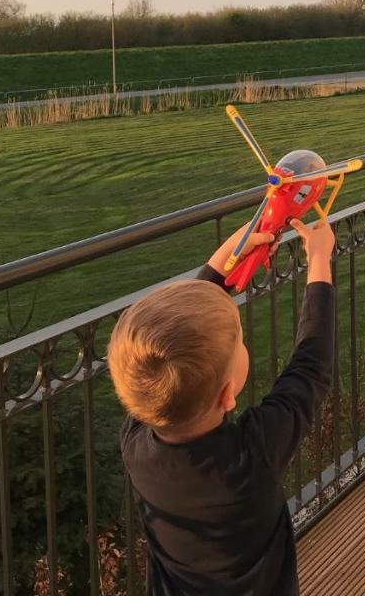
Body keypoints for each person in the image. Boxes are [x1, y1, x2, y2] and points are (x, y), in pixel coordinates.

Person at [109, 215, 337, 595]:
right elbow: (311, 369)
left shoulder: (136, 443)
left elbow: (165, 355)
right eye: (240, 345)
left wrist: (227, 259)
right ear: (227, 393)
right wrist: (318, 259)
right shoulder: (252, 454)